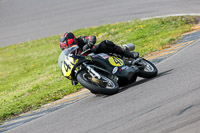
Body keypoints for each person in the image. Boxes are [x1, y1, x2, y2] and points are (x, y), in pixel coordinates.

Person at [58, 32, 139, 58]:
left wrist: (90, 43)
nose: (69, 48)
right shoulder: (68, 55)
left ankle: (128, 54)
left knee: (106, 43)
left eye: (71, 45)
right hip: (87, 61)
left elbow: (91, 37)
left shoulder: (80, 40)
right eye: (65, 48)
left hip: (95, 52)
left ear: (74, 41)